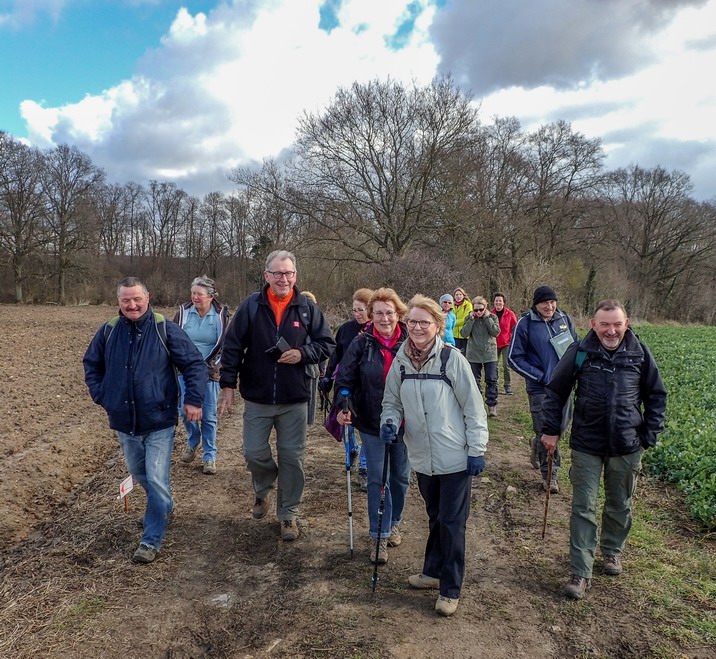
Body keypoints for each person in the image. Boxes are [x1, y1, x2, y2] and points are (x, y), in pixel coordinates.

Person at [540, 300, 666, 600]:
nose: (611, 330)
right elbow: (556, 391)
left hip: (626, 444)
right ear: (593, 324)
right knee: (583, 506)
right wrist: (551, 429)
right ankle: (580, 572)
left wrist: (648, 436)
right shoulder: (581, 352)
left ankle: (611, 551)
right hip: (587, 443)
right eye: (605, 324)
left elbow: (657, 397)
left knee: (619, 503)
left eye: (617, 324)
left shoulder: (640, 354)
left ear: (627, 322)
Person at [83, 277, 208, 564]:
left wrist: (194, 400)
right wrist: (103, 395)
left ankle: (150, 540)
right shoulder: (109, 332)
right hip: (124, 422)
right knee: (141, 476)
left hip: (159, 420)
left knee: (156, 478)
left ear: (148, 298)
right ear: (119, 302)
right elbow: (91, 364)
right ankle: (164, 507)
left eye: (137, 299)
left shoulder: (165, 328)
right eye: (126, 300)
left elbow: (193, 364)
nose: (132, 305)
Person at [380, 294, 488, 617]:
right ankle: (432, 571)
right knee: (435, 516)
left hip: (456, 456)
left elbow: (473, 408)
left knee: (453, 523)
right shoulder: (401, 361)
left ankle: (450, 588)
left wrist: (477, 449)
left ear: (437, 326)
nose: (417, 327)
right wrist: (388, 423)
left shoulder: (452, 360)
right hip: (423, 458)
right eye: (412, 322)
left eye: (424, 322)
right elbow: (391, 402)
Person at [218, 250, 335, 541]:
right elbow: (232, 346)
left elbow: (327, 344)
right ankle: (263, 488)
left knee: (292, 459)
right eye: (278, 273)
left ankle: (289, 515)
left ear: (296, 276)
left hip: (294, 397)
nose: (284, 279)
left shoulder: (307, 308)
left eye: (289, 273)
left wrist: (302, 353)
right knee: (254, 452)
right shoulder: (251, 307)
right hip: (257, 396)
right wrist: (228, 386)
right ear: (267, 275)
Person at [334, 288, 410, 565]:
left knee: (401, 478)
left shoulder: (413, 340)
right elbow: (344, 381)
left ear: (398, 313)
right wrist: (345, 405)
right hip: (371, 420)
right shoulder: (361, 343)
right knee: (378, 479)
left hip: (407, 423)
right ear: (370, 316)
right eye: (378, 313)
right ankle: (379, 535)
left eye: (389, 312)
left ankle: (394, 521)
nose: (384, 318)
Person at [508, 285, 577, 493]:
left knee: (560, 428)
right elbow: (514, 357)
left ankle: (536, 444)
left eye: (552, 302)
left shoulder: (564, 319)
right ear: (536, 304)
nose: (550, 306)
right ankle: (550, 476)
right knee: (547, 430)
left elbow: (576, 348)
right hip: (540, 389)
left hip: (564, 387)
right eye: (545, 303)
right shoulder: (525, 323)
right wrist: (540, 376)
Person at [174, 276, 230, 475]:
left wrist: (211, 365)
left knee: (208, 415)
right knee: (184, 410)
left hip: (209, 370)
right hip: (185, 369)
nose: (195, 297)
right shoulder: (183, 313)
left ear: (210, 296)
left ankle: (209, 456)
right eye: (193, 293)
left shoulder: (220, 316)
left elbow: (225, 344)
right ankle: (193, 439)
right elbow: (173, 339)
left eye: (199, 294)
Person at [319, 288, 373, 490]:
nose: (357, 314)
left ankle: (365, 468)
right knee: (347, 425)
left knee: (366, 426)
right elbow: (336, 355)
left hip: (367, 386)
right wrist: (327, 377)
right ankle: (352, 450)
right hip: (347, 384)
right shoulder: (345, 329)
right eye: (354, 310)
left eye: (361, 310)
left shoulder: (376, 329)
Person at [460, 296, 500, 417]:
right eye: (476, 309)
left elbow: (496, 332)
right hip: (473, 354)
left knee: (491, 380)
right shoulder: (469, 318)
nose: (478, 312)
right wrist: (471, 320)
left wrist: (487, 318)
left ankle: (491, 406)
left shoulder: (492, 317)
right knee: (474, 381)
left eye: (480, 309)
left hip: (490, 353)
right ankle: (477, 405)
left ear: (485, 308)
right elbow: (464, 333)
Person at [491, 292, 518, 395]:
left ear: (503, 302)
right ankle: (495, 385)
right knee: (494, 365)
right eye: (496, 300)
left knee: (506, 365)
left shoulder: (510, 314)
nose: (498, 302)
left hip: (506, 342)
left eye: (500, 301)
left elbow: (515, 328)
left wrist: (513, 340)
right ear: (494, 302)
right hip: (494, 343)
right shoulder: (490, 313)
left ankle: (507, 385)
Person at [451, 287, 473, 354]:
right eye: (456, 295)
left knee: (464, 355)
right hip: (454, 335)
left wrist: (454, 322)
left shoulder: (468, 305)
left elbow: (465, 319)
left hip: (464, 335)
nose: (458, 296)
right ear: (454, 296)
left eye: (460, 294)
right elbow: (450, 317)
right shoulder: (451, 305)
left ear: (463, 295)